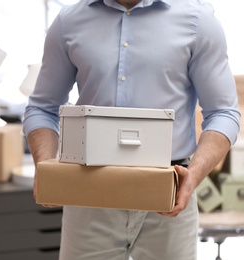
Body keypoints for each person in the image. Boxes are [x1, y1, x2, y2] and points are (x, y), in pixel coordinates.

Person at [22, 0, 241, 259]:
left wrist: (192, 177)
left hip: (168, 195)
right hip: (88, 194)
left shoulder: (198, 20)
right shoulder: (69, 21)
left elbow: (223, 113)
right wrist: (47, 167)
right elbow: (42, 108)